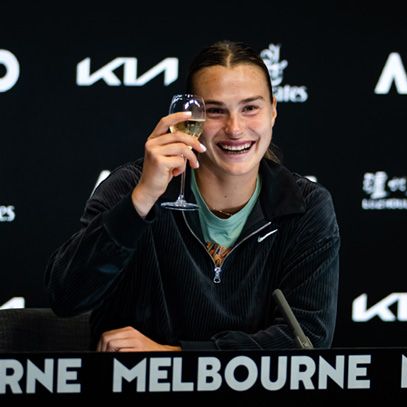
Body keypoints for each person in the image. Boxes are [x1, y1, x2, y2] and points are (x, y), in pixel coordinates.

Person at [45, 40, 340, 352]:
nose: (235, 128)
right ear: (189, 118)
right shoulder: (132, 186)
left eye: (250, 108)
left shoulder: (306, 207)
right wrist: (143, 198)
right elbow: (66, 297)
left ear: (273, 112)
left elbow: (308, 339)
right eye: (214, 111)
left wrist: (177, 357)